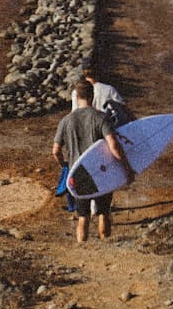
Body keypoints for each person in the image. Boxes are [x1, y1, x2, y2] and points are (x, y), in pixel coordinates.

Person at [53, 79, 129, 242]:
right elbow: (114, 146)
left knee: (83, 216)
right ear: (92, 96)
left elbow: (56, 151)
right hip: (101, 171)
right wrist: (126, 168)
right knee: (103, 212)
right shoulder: (101, 118)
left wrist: (65, 165)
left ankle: (82, 246)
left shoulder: (65, 121)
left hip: (78, 172)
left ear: (76, 97)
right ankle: (105, 243)